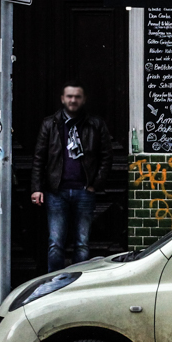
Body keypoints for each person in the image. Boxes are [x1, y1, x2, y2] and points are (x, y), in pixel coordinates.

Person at [31, 84, 113, 272]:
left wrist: (95, 184)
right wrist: (36, 187)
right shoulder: (50, 124)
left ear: (83, 99)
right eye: (69, 96)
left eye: (77, 97)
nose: (73, 100)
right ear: (62, 98)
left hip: (84, 191)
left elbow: (106, 156)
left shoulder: (95, 124)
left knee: (82, 244)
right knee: (55, 243)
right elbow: (39, 158)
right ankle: (55, 283)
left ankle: (77, 284)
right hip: (56, 192)